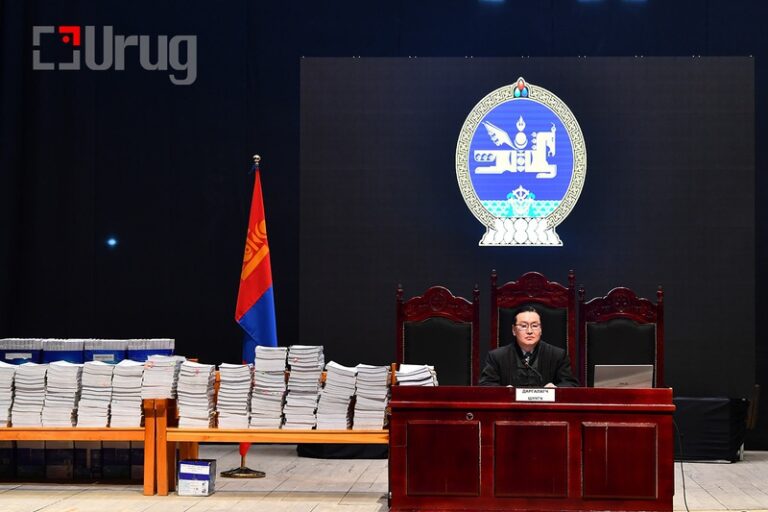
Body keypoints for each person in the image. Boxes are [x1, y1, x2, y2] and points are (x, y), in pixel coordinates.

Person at [479, 305, 579, 387]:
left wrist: (556, 389)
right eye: (523, 326)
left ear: (541, 329)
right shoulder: (497, 357)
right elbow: (485, 385)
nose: (529, 331)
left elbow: (571, 384)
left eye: (535, 326)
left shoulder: (557, 356)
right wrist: (504, 392)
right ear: (514, 330)